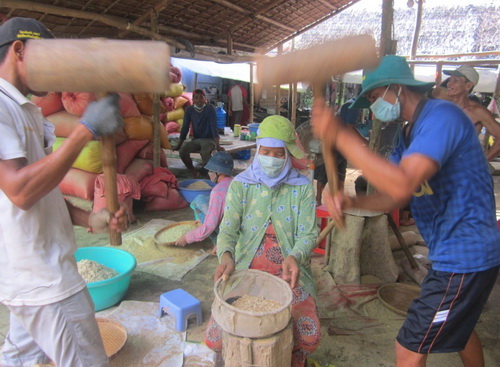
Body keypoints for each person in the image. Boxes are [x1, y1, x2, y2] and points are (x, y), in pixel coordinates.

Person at [312, 55, 500, 367]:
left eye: (374, 97)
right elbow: (393, 197)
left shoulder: (443, 117)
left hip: (465, 257)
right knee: (459, 328)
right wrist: (351, 202)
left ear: (397, 88)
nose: (373, 107)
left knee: (409, 348)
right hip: (452, 255)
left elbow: (401, 185)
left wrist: (342, 136)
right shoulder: (408, 133)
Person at [0, 17, 129, 367]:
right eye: (49, 60)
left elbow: (41, 190)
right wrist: (85, 129)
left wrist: (90, 218)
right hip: (43, 277)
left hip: (28, 276)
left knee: (19, 359)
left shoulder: (24, 110)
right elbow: (21, 192)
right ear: (19, 50)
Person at [204, 115, 321, 367]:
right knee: (215, 339)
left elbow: (309, 234)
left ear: (288, 154)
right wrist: (226, 255)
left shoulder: (301, 188)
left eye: (279, 153)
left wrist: (295, 256)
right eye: (266, 151)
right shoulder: (241, 186)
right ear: (257, 151)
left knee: (308, 338)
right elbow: (227, 230)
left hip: (289, 270)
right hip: (245, 266)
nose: (271, 158)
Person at [175, 151, 234, 254]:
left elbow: (209, 226)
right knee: (203, 198)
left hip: (231, 231)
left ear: (218, 172)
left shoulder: (218, 191)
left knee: (199, 201)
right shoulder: (236, 182)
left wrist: (187, 237)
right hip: (241, 227)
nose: (209, 173)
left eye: (210, 171)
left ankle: (220, 242)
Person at [444, 65, 500, 161]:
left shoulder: (477, 111)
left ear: (468, 86)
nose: (449, 84)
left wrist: (483, 161)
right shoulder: (443, 107)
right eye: (450, 80)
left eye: (455, 80)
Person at [176, 89, 223, 177]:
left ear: (205, 99)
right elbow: (185, 127)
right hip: (196, 139)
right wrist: (179, 144)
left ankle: (210, 175)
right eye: (196, 98)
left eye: (201, 98)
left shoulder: (210, 108)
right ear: (193, 100)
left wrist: (218, 145)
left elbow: (213, 127)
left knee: (205, 152)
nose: (199, 100)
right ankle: (194, 172)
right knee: (182, 151)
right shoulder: (189, 110)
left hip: (209, 139)